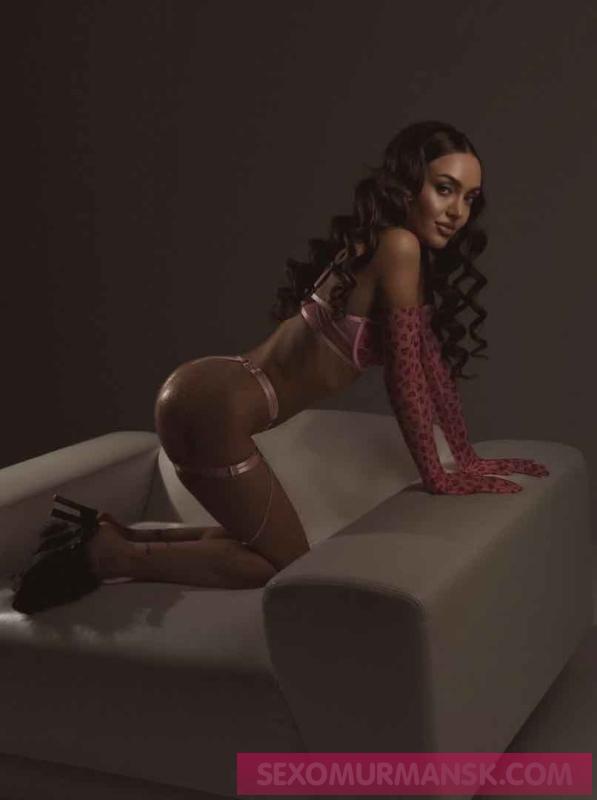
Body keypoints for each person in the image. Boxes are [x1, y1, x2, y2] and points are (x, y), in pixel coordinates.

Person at [85, 120, 550, 591]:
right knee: (280, 565)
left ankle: (125, 537)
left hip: (207, 391)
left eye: (470, 198)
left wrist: (466, 458)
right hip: (216, 407)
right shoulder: (399, 245)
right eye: (445, 189)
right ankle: (115, 556)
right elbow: (406, 380)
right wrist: (437, 477)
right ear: (409, 184)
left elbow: (432, 370)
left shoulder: (389, 245)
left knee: (265, 542)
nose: (457, 212)